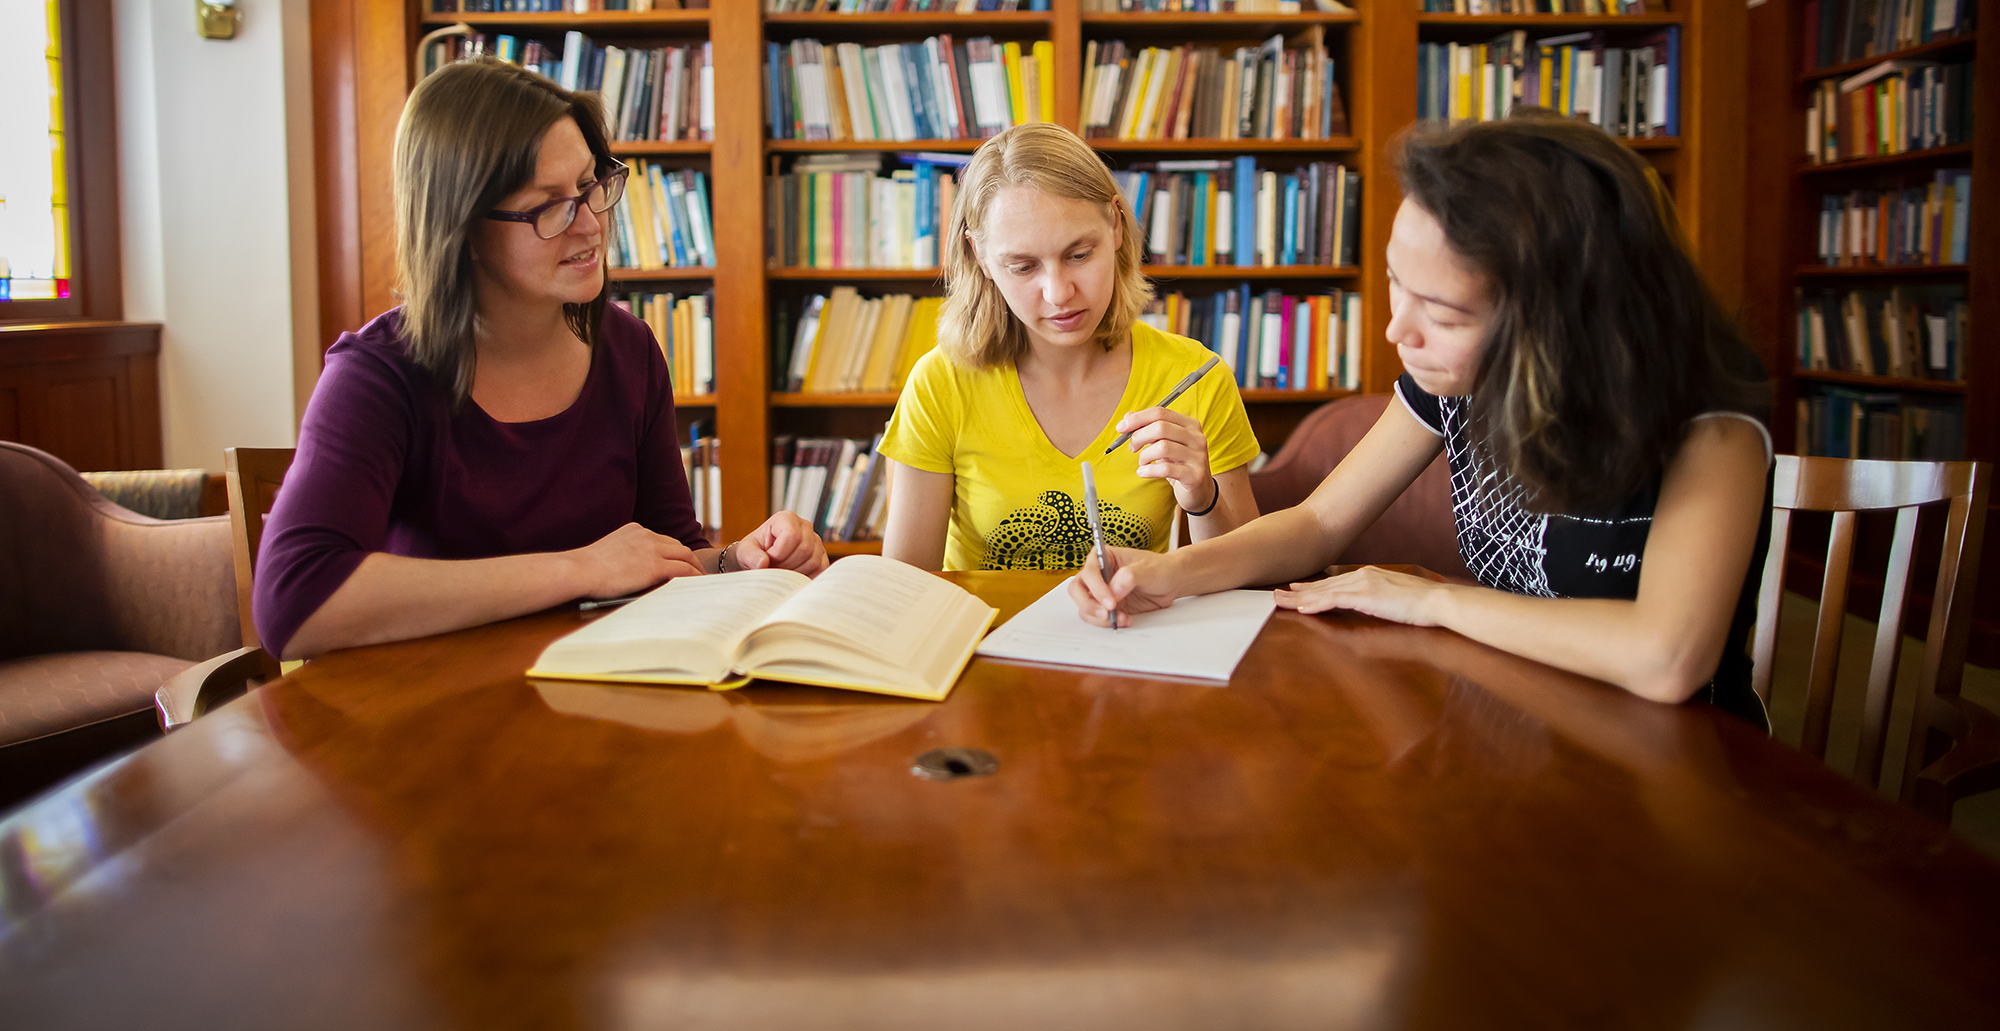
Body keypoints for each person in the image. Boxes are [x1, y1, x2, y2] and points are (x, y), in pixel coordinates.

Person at [1074, 113, 1775, 724]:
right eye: (1396, 284)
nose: (1395, 332)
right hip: (1528, 720)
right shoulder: (1457, 378)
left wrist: (1434, 601)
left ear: (1563, 321)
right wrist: (1174, 572)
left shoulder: (1712, 425)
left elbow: (1666, 657)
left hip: (1679, 763)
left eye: (1441, 313)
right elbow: (1319, 523)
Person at [255, 57, 825, 661]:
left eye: (589, 187)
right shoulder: (380, 375)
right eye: (549, 205)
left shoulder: (629, 351)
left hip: (598, 695)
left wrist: (740, 559)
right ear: (463, 229)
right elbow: (296, 600)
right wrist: (579, 570)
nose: (590, 226)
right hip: (431, 717)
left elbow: (669, 553)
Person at [879, 123, 1261, 573]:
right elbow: (905, 588)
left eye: (1079, 255)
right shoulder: (941, 384)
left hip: (1127, 636)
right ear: (980, 257)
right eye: (1022, 266)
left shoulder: (1194, 375)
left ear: (1116, 225)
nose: (1059, 293)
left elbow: (1245, 576)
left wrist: (1202, 498)